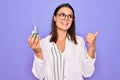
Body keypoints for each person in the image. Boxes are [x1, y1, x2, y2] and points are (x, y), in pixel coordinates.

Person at [28, 3, 98, 80]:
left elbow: (87, 72)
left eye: (70, 16)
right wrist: (37, 52)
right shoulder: (44, 43)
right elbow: (39, 75)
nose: (66, 19)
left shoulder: (79, 42)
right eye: (62, 15)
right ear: (54, 17)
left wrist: (92, 47)